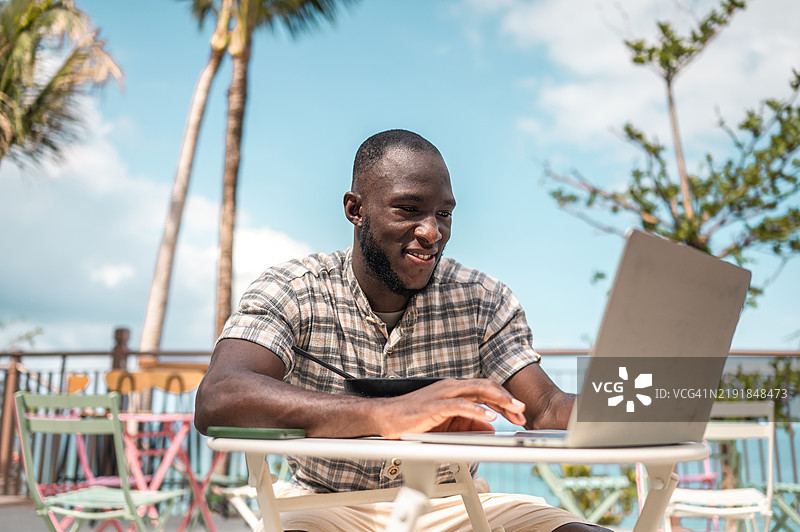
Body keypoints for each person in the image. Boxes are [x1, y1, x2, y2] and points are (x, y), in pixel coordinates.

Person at [195, 129, 611, 532]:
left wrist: (663, 402)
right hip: (324, 508)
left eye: (444, 214)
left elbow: (546, 406)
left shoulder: (483, 299)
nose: (432, 232)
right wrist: (388, 415)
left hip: (456, 505)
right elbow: (219, 395)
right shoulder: (295, 289)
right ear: (355, 210)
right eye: (409, 209)